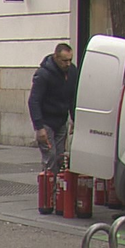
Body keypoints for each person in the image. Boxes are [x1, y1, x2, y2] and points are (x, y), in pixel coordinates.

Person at [28, 42, 79, 173]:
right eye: (64, 61)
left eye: (70, 60)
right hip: (47, 121)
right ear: (56, 57)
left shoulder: (72, 71)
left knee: (60, 157)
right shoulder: (44, 74)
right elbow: (34, 101)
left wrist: (74, 119)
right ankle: (49, 189)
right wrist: (39, 127)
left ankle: (58, 189)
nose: (67, 64)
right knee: (50, 157)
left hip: (61, 120)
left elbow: (73, 98)